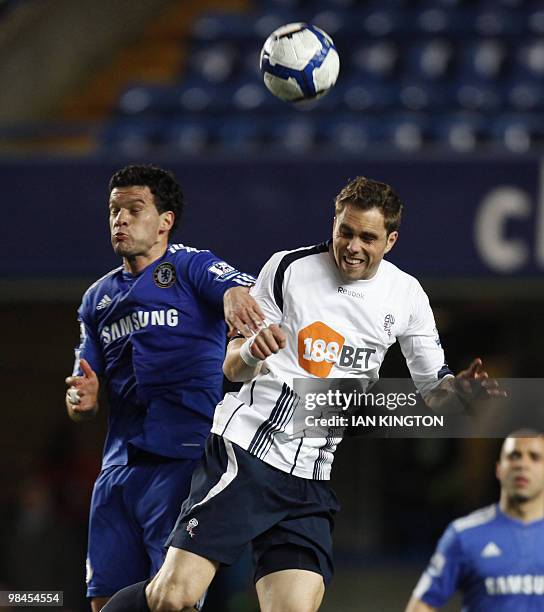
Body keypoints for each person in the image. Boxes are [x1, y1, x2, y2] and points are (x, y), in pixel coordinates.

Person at [104, 176, 500, 612]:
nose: (352, 246)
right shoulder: (288, 269)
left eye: (367, 237)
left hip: (311, 477)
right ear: (333, 223)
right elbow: (231, 365)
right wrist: (253, 350)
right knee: (172, 597)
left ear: (390, 240)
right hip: (247, 455)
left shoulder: (406, 296)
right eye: (344, 231)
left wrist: (459, 394)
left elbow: (434, 391)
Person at [64, 164, 264, 612]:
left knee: (171, 600)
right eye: (114, 210)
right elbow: (82, 391)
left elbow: (240, 290)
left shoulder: (191, 265)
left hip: (185, 461)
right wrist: (81, 399)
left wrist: (234, 295)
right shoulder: (97, 299)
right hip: (117, 469)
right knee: (106, 602)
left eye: (135, 209)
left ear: (165, 220)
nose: (121, 219)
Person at [406, 433, 544, 612]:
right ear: (499, 470)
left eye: (534, 457)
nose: (522, 465)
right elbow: (421, 606)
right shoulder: (465, 534)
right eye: (514, 456)